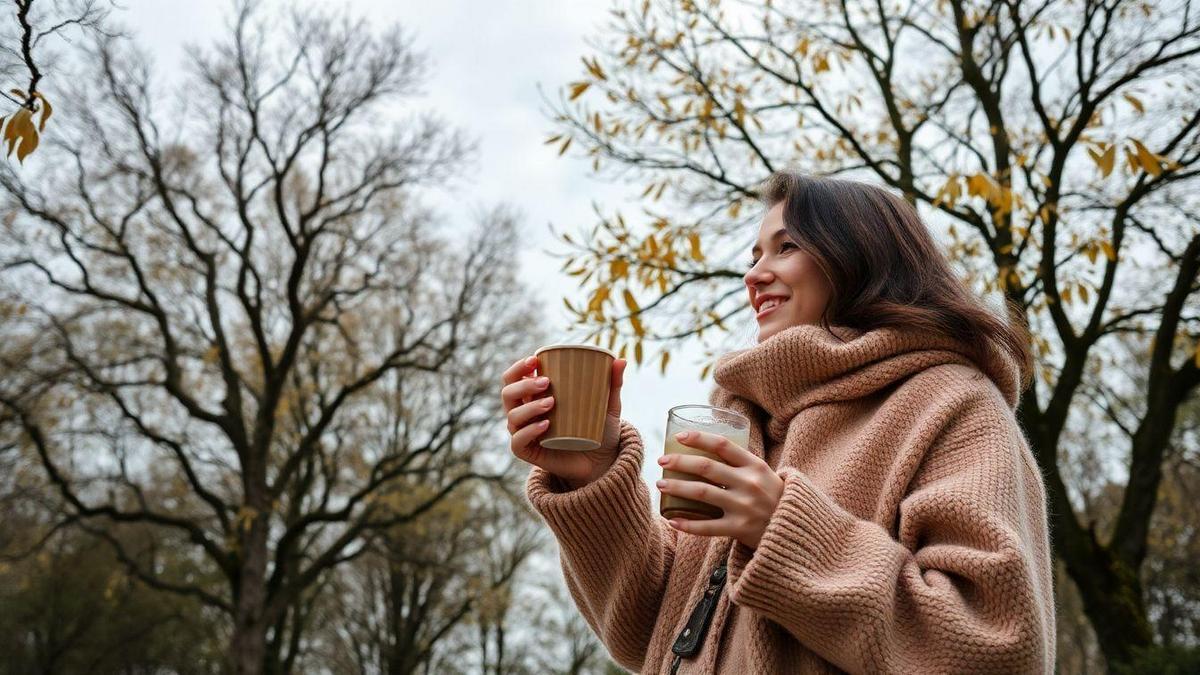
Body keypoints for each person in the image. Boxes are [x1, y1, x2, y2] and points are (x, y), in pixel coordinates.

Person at [499, 172, 1056, 674]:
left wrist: (781, 531)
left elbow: (996, 646)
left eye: (786, 248)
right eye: (752, 256)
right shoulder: (748, 420)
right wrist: (593, 480)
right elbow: (656, 634)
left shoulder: (952, 404)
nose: (755, 275)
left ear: (860, 257)